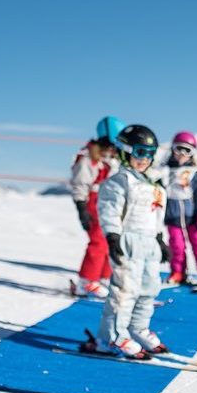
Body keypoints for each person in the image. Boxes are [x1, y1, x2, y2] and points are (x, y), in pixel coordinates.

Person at [86, 124, 172, 359]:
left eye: (150, 153)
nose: (145, 159)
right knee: (125, 291)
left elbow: (156, 215)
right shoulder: (119, 181)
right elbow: (109, 210)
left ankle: (138, 328)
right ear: (125, 152)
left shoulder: (154, 183)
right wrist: (113, 237)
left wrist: (160, 239)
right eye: (140, 152)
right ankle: (111, 337)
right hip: (128, 242)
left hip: (149, 243)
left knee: (149, 289)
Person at [69, 116, 125, 298]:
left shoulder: (111, 159)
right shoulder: (88, 159)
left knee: (111, 239)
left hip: (109, 203)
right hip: (93, 202)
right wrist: (81, 208)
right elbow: (80, 184)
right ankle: (86, 281)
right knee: (98, 242)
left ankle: (104, 278)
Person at [161, 131, 197, 287]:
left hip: (191, 216)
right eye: (179, 149)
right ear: (172, 149)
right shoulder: (165, 171)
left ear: (192, 153)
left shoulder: (194, 173)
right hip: (172, 215)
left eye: (187, 150)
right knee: (176, 245)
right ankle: (178, 272)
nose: (182, 154)